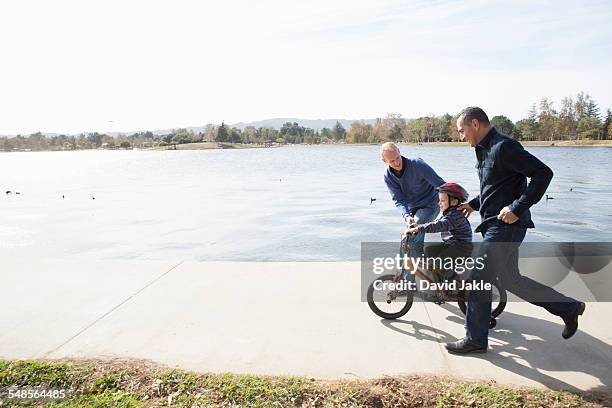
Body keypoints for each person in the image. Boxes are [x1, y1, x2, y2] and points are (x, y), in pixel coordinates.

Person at [445, 107, 585, 355]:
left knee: (478, 278)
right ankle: (568, 308)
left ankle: (475, 339)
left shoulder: (504, 147)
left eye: (461, 130)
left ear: (474, 124)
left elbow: (543, 173)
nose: (460, 136)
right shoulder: (484, 149)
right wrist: (474, 204)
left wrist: (518, 208)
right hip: (494, 225)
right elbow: (496, 186)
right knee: (511, 280)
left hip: (506, 226)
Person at [381, 142, 445, 259]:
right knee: (411, 241)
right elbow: (399, 200)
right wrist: (406, 216)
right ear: (384, 161)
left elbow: (440, 184)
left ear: (399, 151)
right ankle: (424, 271)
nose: (397, 163)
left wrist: (455, 202)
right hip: (412, 210)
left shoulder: (417, 164)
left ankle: (407, 276)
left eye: (397, 158)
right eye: (392, 161)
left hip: (431, 205)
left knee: (408, 238)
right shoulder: (388, 176)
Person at [404, 182, 473, 281]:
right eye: (439, 200)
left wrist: (418, 229)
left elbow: (438, 225)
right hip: (453, 245)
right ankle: (441, 277)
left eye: (443, 200)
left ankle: (444, 284)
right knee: (430, 250)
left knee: (438, 262)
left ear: (453, 202)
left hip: (461, 249)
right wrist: (417, 226)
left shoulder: (454, 216)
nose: (439, 203)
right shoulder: (449, 213)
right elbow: (437, 222)